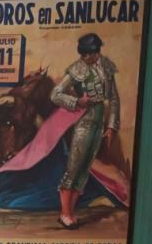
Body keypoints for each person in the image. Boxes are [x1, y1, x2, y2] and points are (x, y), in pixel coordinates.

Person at [50, 32, 123, 229]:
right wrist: (76, 101)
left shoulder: (106, 66)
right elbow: (55, 95)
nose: (89, 58)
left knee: (83, 169)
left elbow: (114, 99)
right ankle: (65, 213)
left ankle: (69, 213)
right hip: (83, 122)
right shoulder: (76, 69)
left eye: (92, 53)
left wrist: (111, 126)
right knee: (74, 167)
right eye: (85, 54)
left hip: (99, 124)